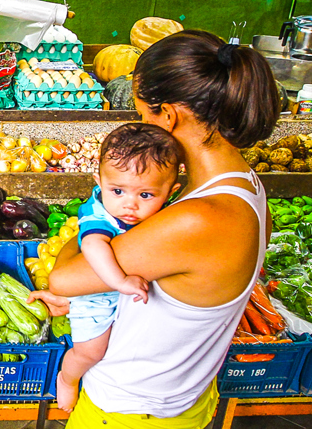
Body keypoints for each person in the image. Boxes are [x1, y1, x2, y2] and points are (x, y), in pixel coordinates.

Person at [33, 29, 281, 428]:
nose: (142, 125)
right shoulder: (246, 185)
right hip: (185, 397)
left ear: (167, 115)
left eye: (144, 115)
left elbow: (63, 278)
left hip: (131, 411)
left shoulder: (197, 219)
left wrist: (90, 222)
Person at [56, 123, 184, 413]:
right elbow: (93, 246)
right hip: (96, 294)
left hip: (129, 295)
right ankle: (68, 377)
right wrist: (121, 281)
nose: (129, 205)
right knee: (91, 351)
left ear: (171, 191)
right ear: (99, 182)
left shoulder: (167, 212)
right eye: (118, 190)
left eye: (146, 196)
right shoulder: (98, 212)